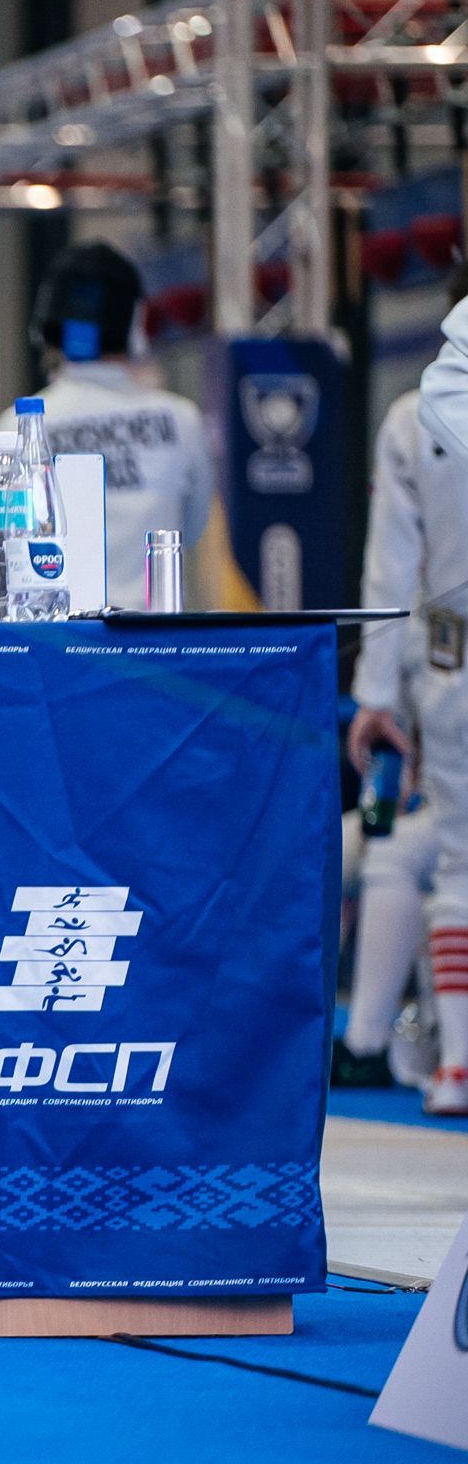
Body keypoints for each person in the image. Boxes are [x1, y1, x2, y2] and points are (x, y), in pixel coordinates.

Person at [351, 349, 468, 1115]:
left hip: (453, 666)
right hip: (447, 665)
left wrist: (375, 695)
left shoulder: (411, 418)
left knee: (457, 865)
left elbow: (389, 570)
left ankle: (457, 1064)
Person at [27, 240, 219, 609]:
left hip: (59, 641)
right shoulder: (181, 420)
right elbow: (193, 530)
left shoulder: (22, 425)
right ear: (136, 323)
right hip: (154, 637)